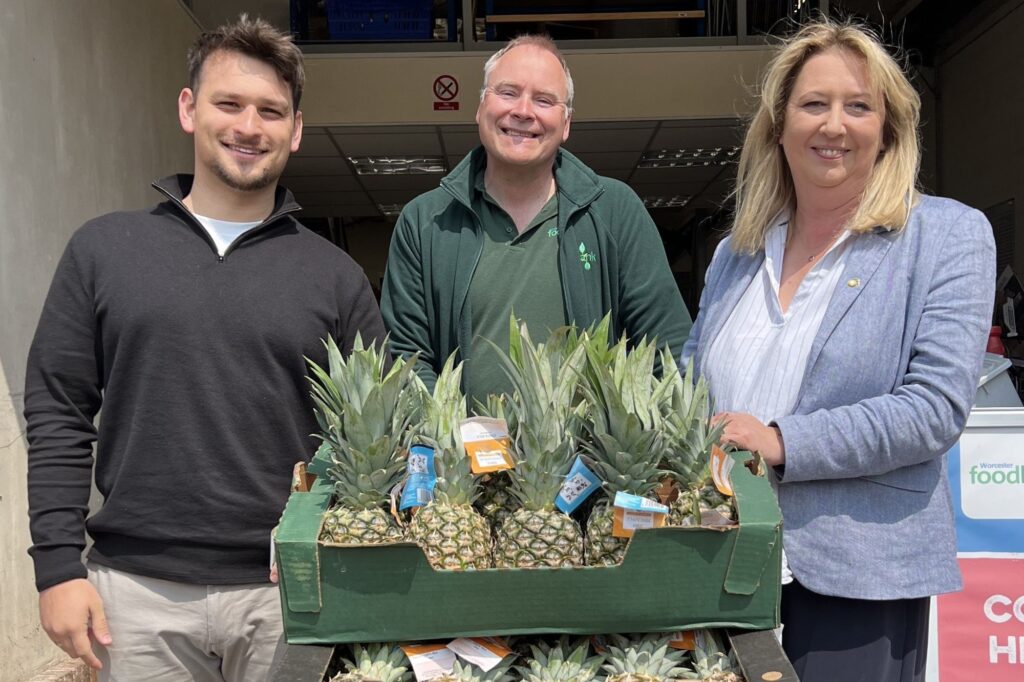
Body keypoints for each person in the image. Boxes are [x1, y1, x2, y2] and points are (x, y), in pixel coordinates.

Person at [24, 15, 386, 681]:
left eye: (271, 111)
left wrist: (323, 523)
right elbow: (57, 412)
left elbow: (374, 436)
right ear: (190, 109)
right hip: (135, 596)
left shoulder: (335, 277)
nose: (250, 126)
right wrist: (55, 566)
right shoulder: (105, 250)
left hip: (290, 597)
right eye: (230, 103)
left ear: (296, 129)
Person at [682, 19, 994, 682]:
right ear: (778, 126)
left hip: (857, 576)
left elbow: (932, 409)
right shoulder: (737, 255)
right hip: (723, 563)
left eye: (859, 106)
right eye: (814, 104)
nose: (835, 124)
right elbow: (688, 388)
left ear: (889, 128)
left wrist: (779, 439)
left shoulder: (946, 237)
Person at [380, 35, 691, 403]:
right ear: (481, 107)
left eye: (544, 100)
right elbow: (406, 356)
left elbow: (667, 352)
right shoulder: (425, 221)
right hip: (463, 456)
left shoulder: (614, 211)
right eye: (508, 92)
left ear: (566, 123)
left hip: (586, 459)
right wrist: (458, 441)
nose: (524, 111)